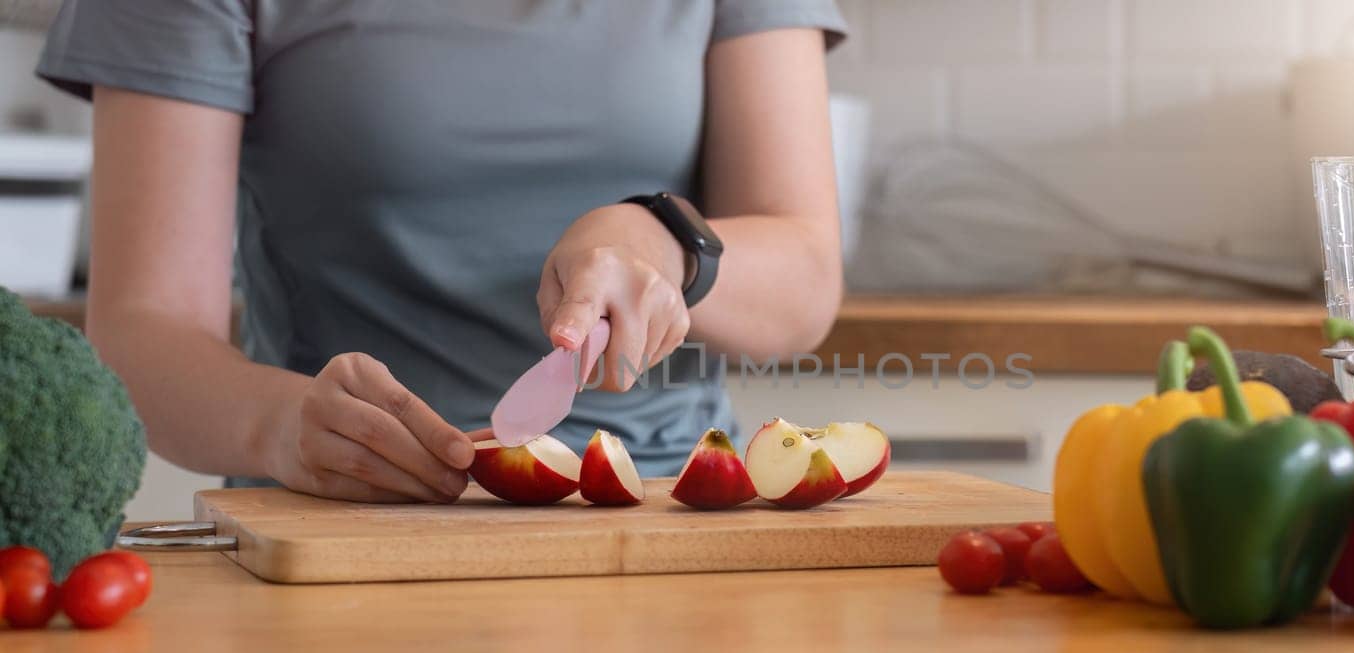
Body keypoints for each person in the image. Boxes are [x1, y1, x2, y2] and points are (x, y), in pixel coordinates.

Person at [35, 1, 847, 503]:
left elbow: (806, 281)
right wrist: (281, 428)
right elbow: (144, 330)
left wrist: (665, 240)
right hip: (348, 526)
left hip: (675, 505)